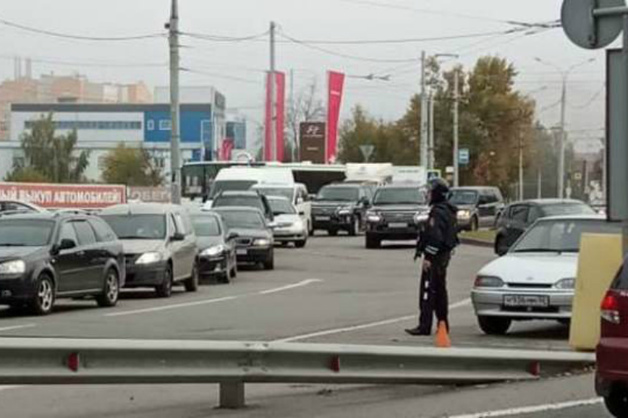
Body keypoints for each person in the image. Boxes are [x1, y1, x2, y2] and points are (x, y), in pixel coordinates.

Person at [406, 178, 459, 336]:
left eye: (430, 192)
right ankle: (443, 324)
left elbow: (436, 237)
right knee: (440, 291)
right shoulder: (448, 210)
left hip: (436, 258)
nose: (428, 195)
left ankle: (425, 326)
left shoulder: (438, 212)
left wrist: (428, 257)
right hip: (443, 257)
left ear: (437, 194)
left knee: (428, 291)